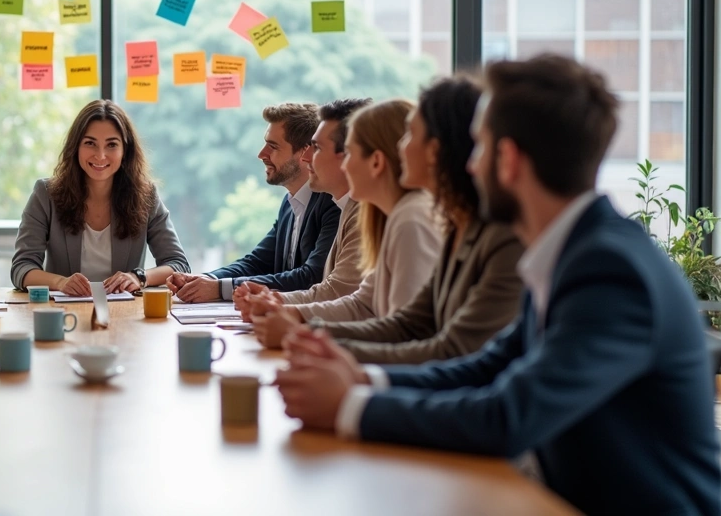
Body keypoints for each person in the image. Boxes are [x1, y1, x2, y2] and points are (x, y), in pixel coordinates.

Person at [275, 55, 721, 515]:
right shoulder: (570, 251)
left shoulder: (609, 269)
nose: (468, 166)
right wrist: (364, 378)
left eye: (479, 148)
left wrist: (351, 406)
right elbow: (485, 367)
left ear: (507, 161)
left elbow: (510, 415)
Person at [246, 78, 524, 363]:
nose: (399, 148)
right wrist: (301, 325)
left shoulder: (414, 217)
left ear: (435, 151)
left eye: (408, 136)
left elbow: (431, 342)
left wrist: (307, 335)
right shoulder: (430, 220)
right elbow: (394, 316)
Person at [245, 99, 441, 347]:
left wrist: (300, 327)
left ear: (377, 161)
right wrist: (291, 312)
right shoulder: (379, 212)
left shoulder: (409, 219)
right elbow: (362, 303)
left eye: (348, 152)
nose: (306, 158)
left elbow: (405, 332)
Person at [165, 104, 340, 302]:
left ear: (303, 153)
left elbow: (311, 277)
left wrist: (219, 288)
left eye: (273, 147)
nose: (261, 154)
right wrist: (206, 279)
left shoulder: (332, 203)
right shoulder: (290, 203)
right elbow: (257, 262)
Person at [12, 99, 189, 295]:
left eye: (112, 145)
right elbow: (22, 268)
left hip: (126, 316)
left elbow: (178, 265)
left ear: (125, 151)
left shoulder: (145, 196)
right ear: (76, 147)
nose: (101, 155)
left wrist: (138, 277)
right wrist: (61, 282)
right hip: (63, 316)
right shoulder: (45, 194)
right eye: (90, 143)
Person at [232, 98, 371, 316]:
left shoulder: (354, 210)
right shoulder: (344, 205)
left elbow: (331, 289)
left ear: (349, 156)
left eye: (316, 148)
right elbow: (355, 302)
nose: (307, 158)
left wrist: (277, 304)